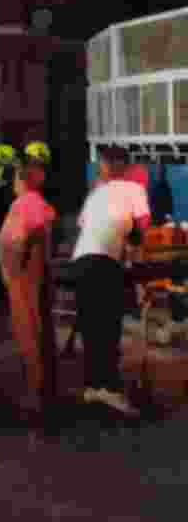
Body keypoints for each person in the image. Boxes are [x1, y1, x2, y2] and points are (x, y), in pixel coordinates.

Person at [69, 144, 151, 416]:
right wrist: (134, 246)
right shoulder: (134, 189)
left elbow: (84, 224)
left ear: (109, 167)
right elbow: (142, 225)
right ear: (125, 167)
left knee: (92, 327)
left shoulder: (97, 193)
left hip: (81, 261)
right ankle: (110, 390)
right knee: (108, 327)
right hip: (104, 262)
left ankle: (94, 386)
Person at [0, 156, 57, 414]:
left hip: (24, 279)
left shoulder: (24, 204)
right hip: (35, 276)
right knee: (40, 330)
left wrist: (11, 269)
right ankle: (43, 388)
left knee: (29, 333)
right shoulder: (41, 204)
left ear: (22, 180)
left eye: (14, 178)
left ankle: (35, 393)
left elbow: (20, 238)